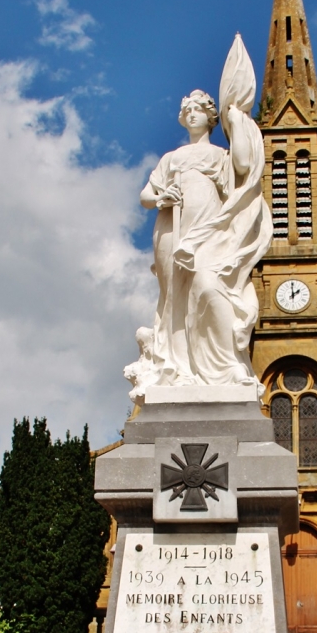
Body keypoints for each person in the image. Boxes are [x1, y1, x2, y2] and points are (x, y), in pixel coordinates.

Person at [127, 35, 272, 399]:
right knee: (173, 297)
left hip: (210, 232)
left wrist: (236, 118)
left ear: (211, 116)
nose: (191, 112)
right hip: (171, 232)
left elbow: (242, 165)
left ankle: (225, 367)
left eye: (198, 108)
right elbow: (146, 194)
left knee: (208, 286)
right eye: (186, 109)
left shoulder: (220, 157)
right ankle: (178, 368)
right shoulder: (172, 158)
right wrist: (161, 195)